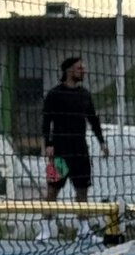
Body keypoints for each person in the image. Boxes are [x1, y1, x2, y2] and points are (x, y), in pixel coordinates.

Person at [37, 56, 110, 242]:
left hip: (80, 150)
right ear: (69, 71)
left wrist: (102, 142)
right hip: (60, 151)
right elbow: (47, 121)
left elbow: (93, 120)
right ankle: (45, 227)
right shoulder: (54, 94)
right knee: (52, 189)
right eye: (79, 68)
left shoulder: (85, 94)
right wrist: (49, 144)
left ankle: (84, 230)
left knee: (82, 190)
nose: (83, 71)